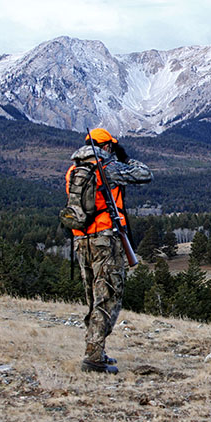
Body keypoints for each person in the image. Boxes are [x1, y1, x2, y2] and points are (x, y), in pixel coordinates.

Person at [66, 127, 152, 374]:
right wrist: (124, 158)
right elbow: (145, 174)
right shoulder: (107, 168)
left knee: (94, 297)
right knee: (109, 297)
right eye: (112, 147)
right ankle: (93, 357)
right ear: (106, 147)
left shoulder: (73, 170)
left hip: (81, 241)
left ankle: (97, 350)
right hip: (105, 239)